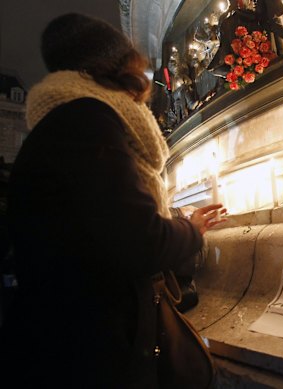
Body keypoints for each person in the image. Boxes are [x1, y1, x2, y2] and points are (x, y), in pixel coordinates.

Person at [0, 13, 226, 388]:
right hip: (88, 354)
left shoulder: (59, 126)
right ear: (119, 66)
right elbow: (141, 242)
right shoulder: (86, 120)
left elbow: (102, 222)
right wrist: (193, 228)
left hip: (61, 344)